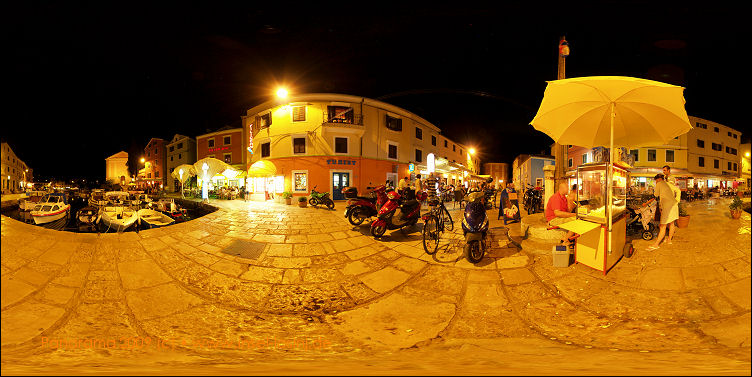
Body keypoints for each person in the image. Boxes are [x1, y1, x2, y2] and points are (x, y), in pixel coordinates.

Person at [646, 174, 678, 250]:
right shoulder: (668, 184)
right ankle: (669, 240)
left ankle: (656, 244)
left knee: (662, 226)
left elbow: (655, 195)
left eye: (656, 181)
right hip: (674, 205)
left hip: (667, 207)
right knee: (672, 223)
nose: (656, 182)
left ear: (657, 180)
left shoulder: (659, 184)